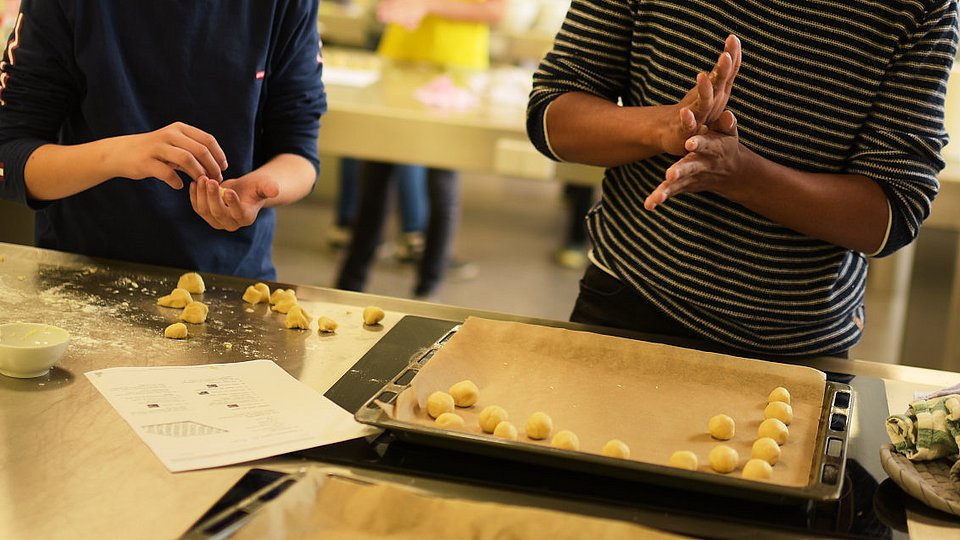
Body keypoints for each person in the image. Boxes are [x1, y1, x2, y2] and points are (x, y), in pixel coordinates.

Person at [527, 1, 958, 357]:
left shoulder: (923, 8)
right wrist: (664, 128)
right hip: (626, 301)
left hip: (795, 349)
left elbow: (892, 212)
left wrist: (741, 174)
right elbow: (553, 115)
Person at [0, 0, 325, 280]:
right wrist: (116, 155)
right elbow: (9, 151)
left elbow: (299, 153)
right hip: (83, 275)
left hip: (231, 283)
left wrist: (259, 189)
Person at [336, 0, 504, 299]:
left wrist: (427, 5)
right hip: (398, 61)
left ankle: (429, 287)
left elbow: (496, 11)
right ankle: (350, 283)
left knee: (440, 181)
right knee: (374, 175)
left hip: (454, 69)